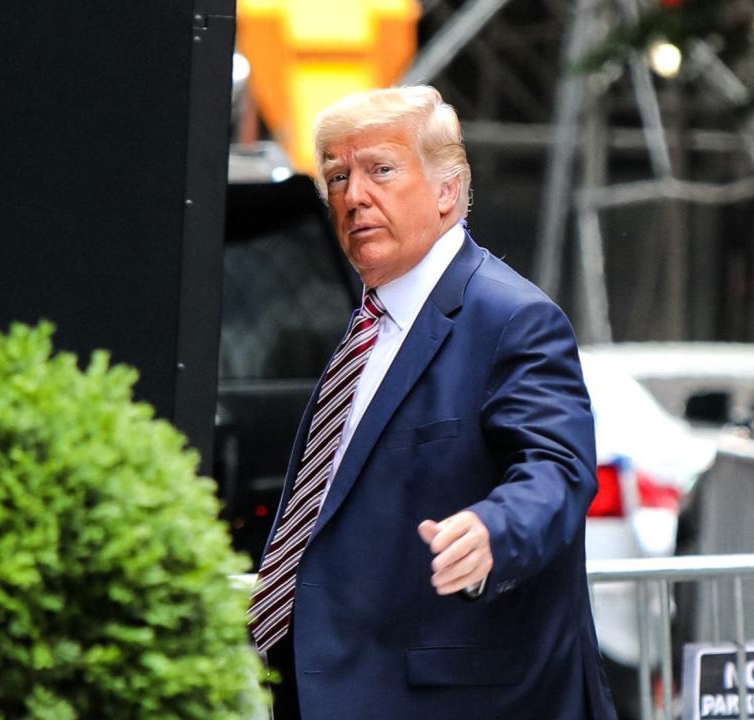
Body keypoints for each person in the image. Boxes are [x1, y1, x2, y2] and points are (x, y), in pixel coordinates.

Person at [248, 85, 617, 720]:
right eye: (337, 176)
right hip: (336, 686)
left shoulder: (512, 316)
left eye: (381, 170)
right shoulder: (370, 324)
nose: (354, 196)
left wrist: (493, 530)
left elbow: (557, 471)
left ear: (447, 190)